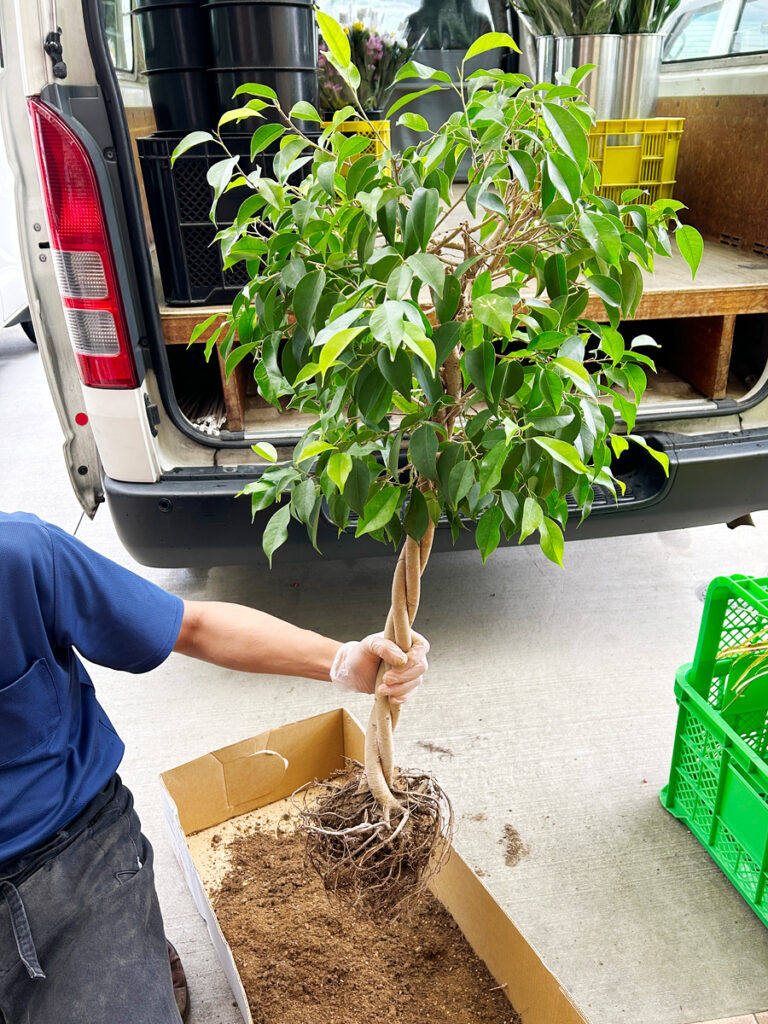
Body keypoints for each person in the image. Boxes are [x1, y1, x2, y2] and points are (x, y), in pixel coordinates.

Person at [0, 511, 429, 1024]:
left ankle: (125, 943)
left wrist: (342, 662)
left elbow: (193, 626)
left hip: (71, 850)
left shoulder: (19, 557)